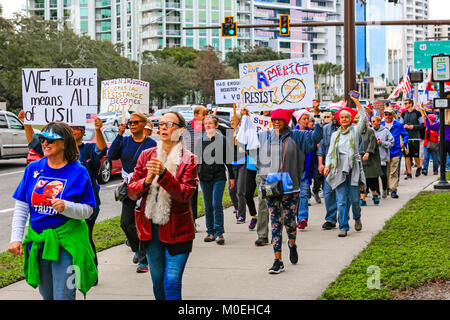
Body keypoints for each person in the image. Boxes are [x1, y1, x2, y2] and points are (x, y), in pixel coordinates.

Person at [8, 122, 97, 300]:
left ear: (65, 143)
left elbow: (88, 210)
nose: (45, 143)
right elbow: (22, 206)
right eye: (42, 139)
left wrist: (67, 207)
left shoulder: (79, 171)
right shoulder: (33, 168)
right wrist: (15, 238)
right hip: (39, 241)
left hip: (67, 243)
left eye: (51, 140)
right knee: (47, 295)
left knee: (64, 295)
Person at [243, 102, 323, 274]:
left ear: (286, 120)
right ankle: (277, 260)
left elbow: (317, 136)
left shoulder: (298, 136)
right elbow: (245, 142)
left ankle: (292, 244)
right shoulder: (264, 136)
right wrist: (244, 119)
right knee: (275, 224)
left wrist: (316, 114)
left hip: (290, 189)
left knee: (289, 223)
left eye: (280, 119)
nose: (276, 122)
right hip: (271, 188)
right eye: (274, 120)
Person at [127, 111, 198, 300]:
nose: (164, 127)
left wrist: (165, 174)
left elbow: (184, 194)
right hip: (152, 229)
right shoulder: (146, 155)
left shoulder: (189, 159)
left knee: (172, 281)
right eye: (161, 123)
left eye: (170, 124)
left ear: (181, 130)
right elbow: (132, 192)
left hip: (179, 229)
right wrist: (147, 180)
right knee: (158, 281)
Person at [108, 112, 157, 273]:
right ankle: (137, 248)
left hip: (146, 187)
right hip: (129, 187)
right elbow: (112, 155)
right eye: (131, 122)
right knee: (125, 223)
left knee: (143, 223)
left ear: (144, 124)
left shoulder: (152, 144)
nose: (132, 124)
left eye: (136, 122)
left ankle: (143, 261)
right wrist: (119, 135)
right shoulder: (126, 141)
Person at [324, 93, 366, 237]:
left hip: (353, 166)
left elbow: (363, 118)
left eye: (347, 117)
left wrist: (357, 102)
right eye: (341, 117)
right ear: (339, 119)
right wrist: (327, 165)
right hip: (338, 167)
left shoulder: (355, 130)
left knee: (354, 199)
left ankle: (357, 217)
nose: (344, 120)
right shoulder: (335, 135)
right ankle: (343, 226)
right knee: (341, 200)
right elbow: (330, 152)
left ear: (350, 119)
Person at [195, 115, 235, 245]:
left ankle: (219, 233)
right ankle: (210, 232)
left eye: (210, 123)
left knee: (216, 204)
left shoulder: (223, 140)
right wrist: (195, 174)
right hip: (204, 176)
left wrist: (232, 176)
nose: (207, 125)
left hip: (218, 176)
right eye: (206, 123)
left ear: (216, 126)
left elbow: (228, 159)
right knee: (208, 205)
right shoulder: (200, 141)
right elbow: (196, 160)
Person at [293, 108, 317, 229]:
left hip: (306, 169)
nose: (307, 120)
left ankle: (302, 218)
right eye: (304, 118)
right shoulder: (292, 133)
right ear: (298, 120)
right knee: (294, 195)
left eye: (308, 118)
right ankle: (295, 217)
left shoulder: (311, 133)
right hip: (293, 169)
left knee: (303, 194)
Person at [184, 105, 208, 225]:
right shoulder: (188, 126)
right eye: (203, 115)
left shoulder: (208, 126)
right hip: (191, 163)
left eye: (206, 115)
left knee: (206, 192)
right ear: (196, 115)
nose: (205, 117)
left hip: (205, 163)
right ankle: (192, 221)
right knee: (192, 192)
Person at [381, 107, 409, 199]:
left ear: (393, 114)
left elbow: (405, 134)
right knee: (386, 172)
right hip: (384, 152)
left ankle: (393, 190)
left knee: (394, 171)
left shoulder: (398, 124)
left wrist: (404, 142)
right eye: (386, 114)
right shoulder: (380, 124)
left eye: (390, 114)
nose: (388, 116)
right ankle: (387, 187)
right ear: (384, 115)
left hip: (396, 151)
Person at [359, 117, 384, 206]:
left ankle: (374, 193)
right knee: (361, 179)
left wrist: (368, 152)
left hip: (371, 159)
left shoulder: (370, 131)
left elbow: (372, 143)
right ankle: (362, 198)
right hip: (359, 159)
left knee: (371, 178)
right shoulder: (355, 132)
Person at [399, 99, 424, 179]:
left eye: (406, 103)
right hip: (406, 138)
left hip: (415, 137)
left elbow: (422, 125)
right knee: (407, 156)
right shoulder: (403, 114)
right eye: (404, 103)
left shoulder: (417, 113)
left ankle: (419, 167)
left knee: (415, 155)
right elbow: (400, 124)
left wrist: (413, 127)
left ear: (411, 104)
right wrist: (403, 126)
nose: (405, 104)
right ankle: (409, 173)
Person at [371, 116, 394, 198]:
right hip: (373, 158)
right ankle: (377, 193)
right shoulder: (370, 131)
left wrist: (382, 143)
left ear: (379, 122)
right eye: (371, 121)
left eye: (374, 121)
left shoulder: (385, 131)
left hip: (383, 157)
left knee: (383, 175)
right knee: (374, 176)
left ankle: (384, 188)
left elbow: (391, 142)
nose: (372, 123)